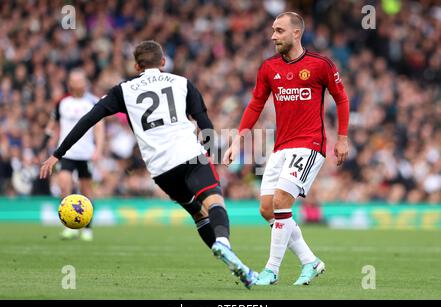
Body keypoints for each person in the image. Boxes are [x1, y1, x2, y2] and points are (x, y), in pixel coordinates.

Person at [40, 40, 258, 289]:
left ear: (136, 66)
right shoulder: (182, 83)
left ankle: (234, 263)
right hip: (190, 155)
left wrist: (58, 153)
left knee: (198, 213)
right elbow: (204, 124)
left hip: (161, 170)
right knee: (214, 201)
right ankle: (224, 244)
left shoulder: (123, 90)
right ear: (163, 62)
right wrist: (212, 155)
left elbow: (88, 119)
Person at [223, 12, 350, 286]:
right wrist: (237, 139)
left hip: (310, 144)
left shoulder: (320, 65)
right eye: (272, 30)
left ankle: (271, 270)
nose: (273, 36)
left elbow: (341, 98)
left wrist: (342, 137)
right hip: (281, 147)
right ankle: (310, 262)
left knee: (281, 203)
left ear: (296, 33)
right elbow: (255, 104)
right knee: (267, 209)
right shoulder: (269, 68)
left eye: (279, 30)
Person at [39, 69, 105, 241]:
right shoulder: (62, 102)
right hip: (67, 154)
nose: (78, 84)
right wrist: (46, 145)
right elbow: (53, 125)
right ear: (70, 83)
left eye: (81, 80)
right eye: (75, 80)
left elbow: (99, 127)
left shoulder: (93, 101)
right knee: (64, 187)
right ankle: (70, 227)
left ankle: (88, 228)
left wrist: (98, 149)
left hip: (86, 154)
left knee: (86, 191)